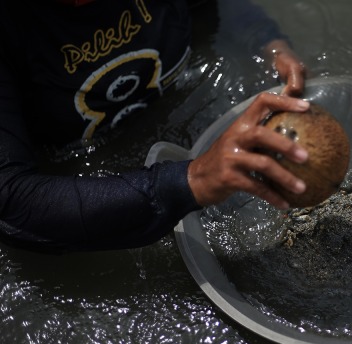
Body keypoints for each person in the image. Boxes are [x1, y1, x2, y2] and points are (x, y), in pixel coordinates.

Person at [0, 0, 308, 252]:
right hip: (88, 179)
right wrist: (193, 180)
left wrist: (268, 43)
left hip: (184, 110)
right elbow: (13, 202)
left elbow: (217, 6)